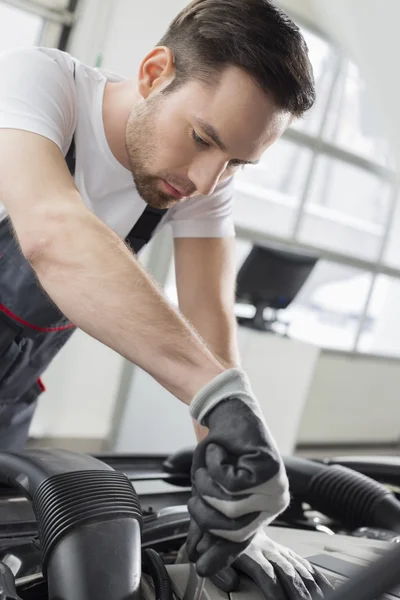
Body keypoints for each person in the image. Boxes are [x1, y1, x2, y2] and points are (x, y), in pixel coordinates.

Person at [0, 0, 324, 590]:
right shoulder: (39, 85)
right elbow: (52, 234)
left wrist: (236, 492)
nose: (207, 181)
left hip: (8, 399)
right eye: (202, 138)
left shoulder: (200, 183)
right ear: (154, 72)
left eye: (236, 164)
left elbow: (210, 322)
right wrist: (220, 398)